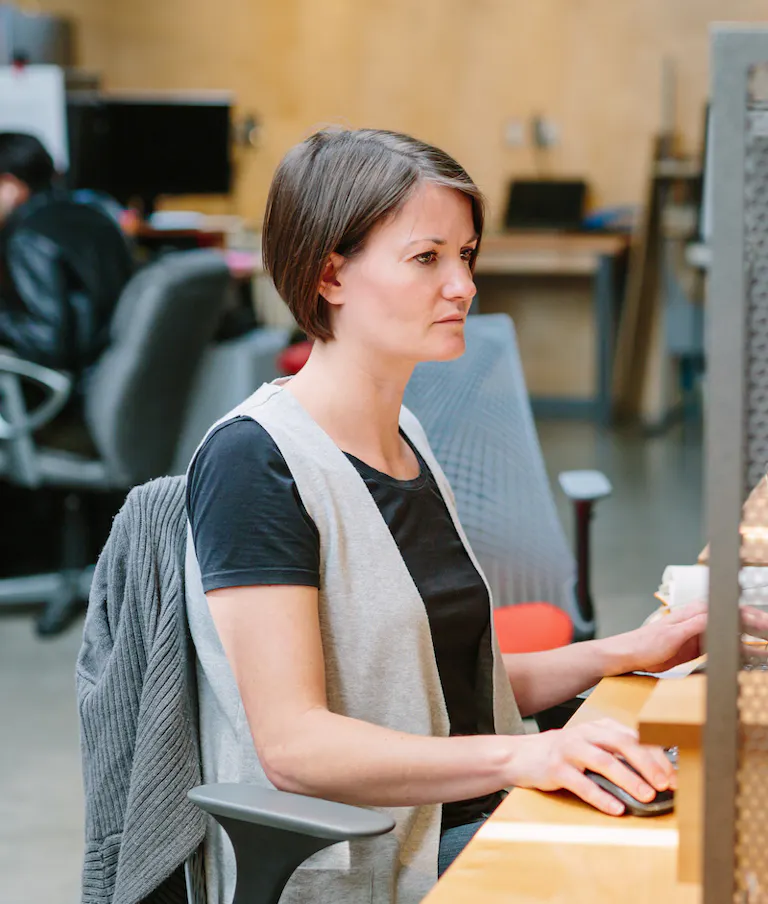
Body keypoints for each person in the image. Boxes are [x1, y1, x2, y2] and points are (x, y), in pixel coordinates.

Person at [184, 128, 707, 904]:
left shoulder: (407, 440)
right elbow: (294, 747)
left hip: (470, 820)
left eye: (465, 256)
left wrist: (635, 648)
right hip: (383, 857)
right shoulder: (254, 463)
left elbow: (453, 688)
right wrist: (520, 759)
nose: (462, 285)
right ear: (330, 275)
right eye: (427, 258)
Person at [0, 132, 133, 373]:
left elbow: (47, 342)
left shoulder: (28, 238)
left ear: (10, 186)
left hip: (68, 386)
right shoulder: (96, 214)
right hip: (111, 373)